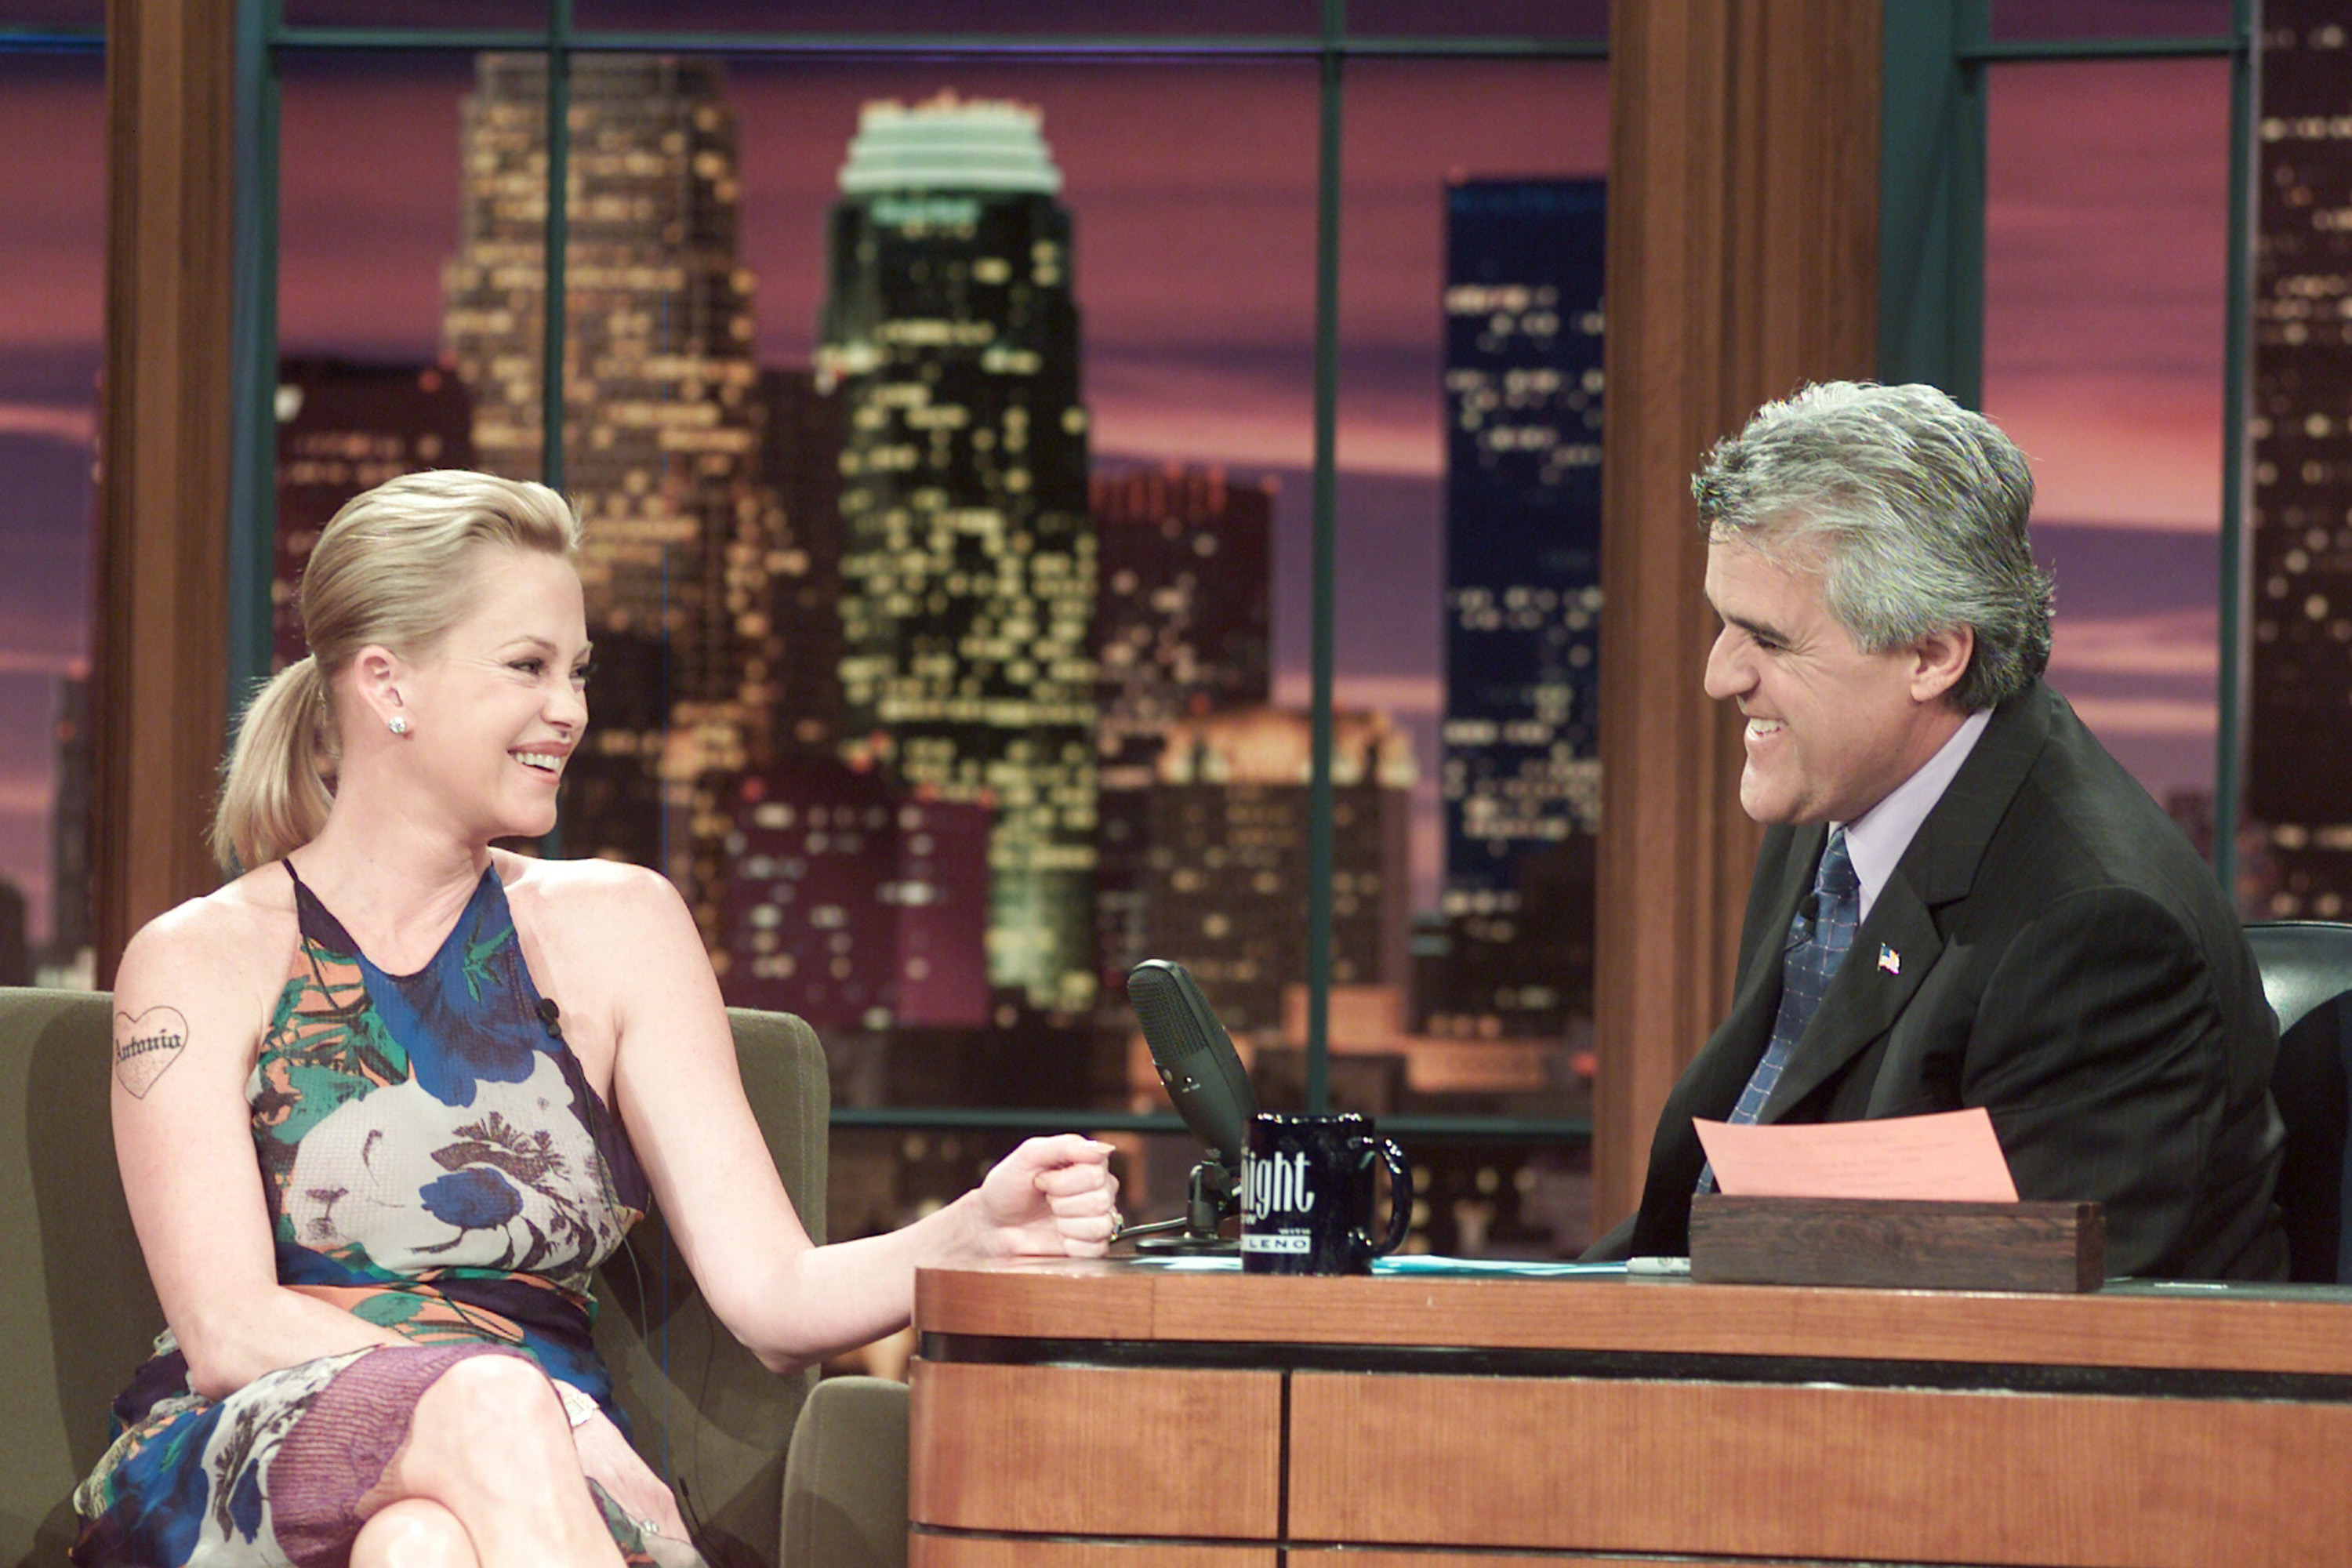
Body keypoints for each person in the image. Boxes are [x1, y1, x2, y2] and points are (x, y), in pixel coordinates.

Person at [74, 470, 1121, 1568]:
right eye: (527, 667)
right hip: (255, 1454)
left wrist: (974, 1234)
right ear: (388, 685)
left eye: (576, 671)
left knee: (419, 1550)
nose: (569, 710)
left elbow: (771, 1294)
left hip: (529, 1495)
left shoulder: (620, 925)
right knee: (483, 1416)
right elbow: (228, 1327)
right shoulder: (199, 957)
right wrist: (534, 1404)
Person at [1588, 381, 2285, 1280]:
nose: (1721, 676)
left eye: (1769, 638)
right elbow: (1713, 1202)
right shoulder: (1841, 797)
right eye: (1723, 623)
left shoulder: (2097, 932)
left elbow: (2029, 1338)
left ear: (1932, 654)